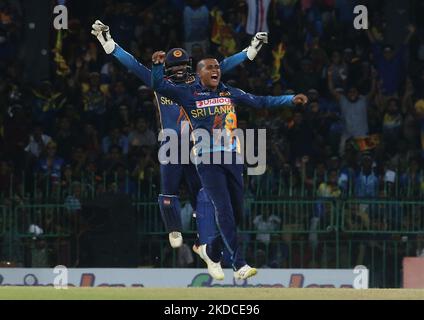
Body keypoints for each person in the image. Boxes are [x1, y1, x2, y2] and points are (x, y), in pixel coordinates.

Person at [91, 20, 268, 251]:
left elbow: (224, 65)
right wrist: (109, 43)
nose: (179, 71)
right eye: (174, 66)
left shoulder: (197, 81)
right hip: (170, 144)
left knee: (201, 194)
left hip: (197, 144)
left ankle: (202, 238)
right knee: (168, 192)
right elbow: (132, 64)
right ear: (166, 68)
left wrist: (251, 49)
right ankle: (174, 228)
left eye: (183, 66)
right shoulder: (160, 83)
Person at [151, 50, 308, 280]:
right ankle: (239, 264)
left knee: (237, 214)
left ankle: (211, 252)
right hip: (207, 160)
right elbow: (159, 86)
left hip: (232, 158)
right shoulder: (188, 94)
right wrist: (156, 67)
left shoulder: (230, 92)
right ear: (198, 74)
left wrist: (290, 99)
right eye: (209, 67)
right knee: (223, 210)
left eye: (217, 66)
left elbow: (260, 101)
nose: (215, 70)